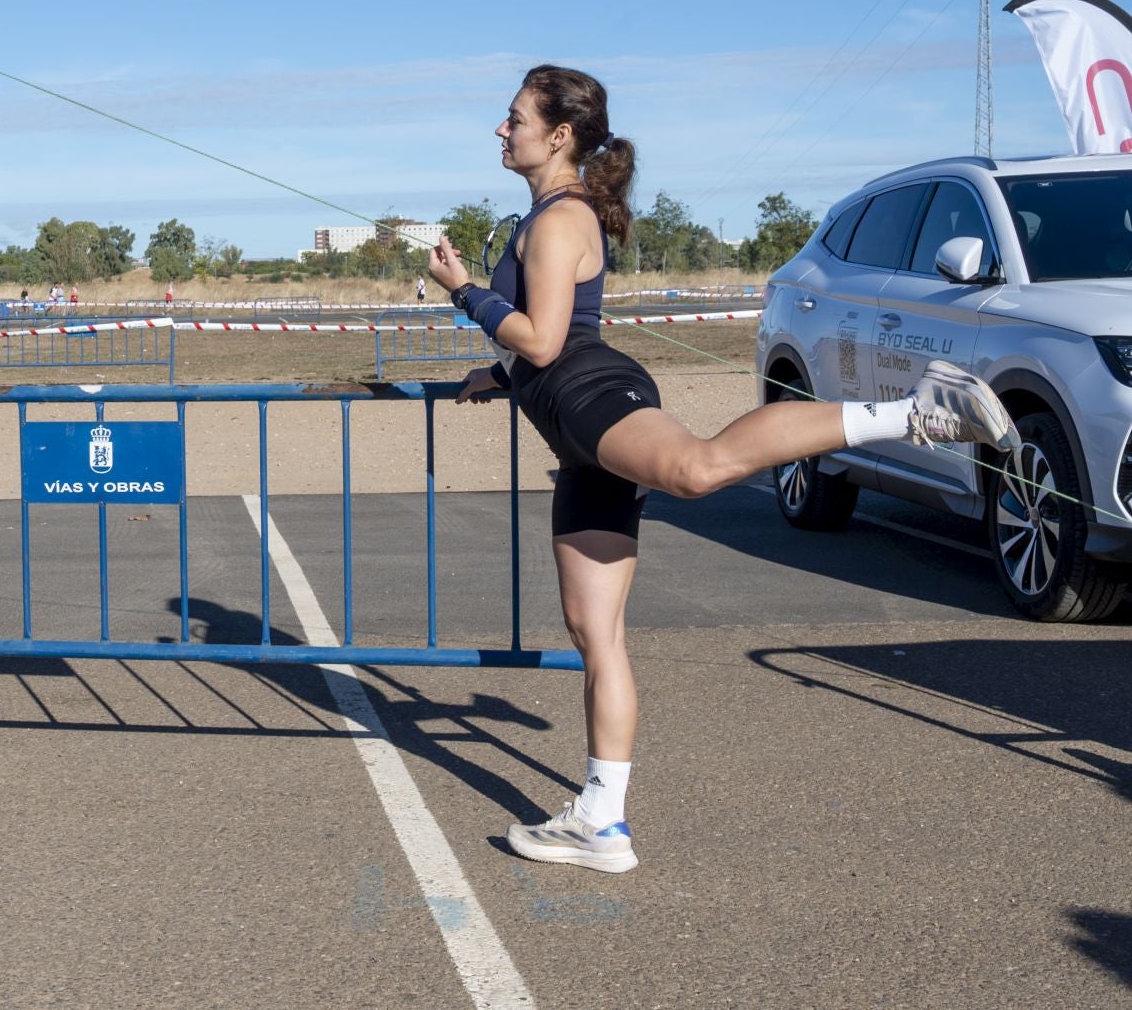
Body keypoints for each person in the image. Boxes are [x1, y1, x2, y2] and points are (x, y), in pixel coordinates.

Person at [426, 64, 1017, 875]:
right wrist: (492, 378)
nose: (501, 129)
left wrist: (463, 291)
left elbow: (547, 338)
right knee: (594, 632)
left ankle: (918, 411)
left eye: (513, 117)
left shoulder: (560, 218)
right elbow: (542, 344)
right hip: (573, 425)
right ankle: (600, 819)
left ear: (558, 134)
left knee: (701, 468)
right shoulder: (547, 214)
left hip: (596, 399)